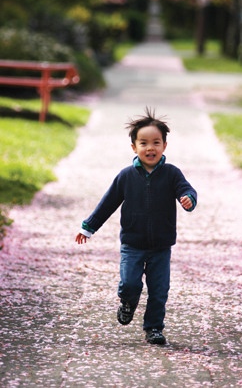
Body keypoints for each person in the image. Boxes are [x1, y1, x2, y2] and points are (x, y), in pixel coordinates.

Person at [76, 108, 197, 345]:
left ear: (164, 146)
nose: (150, 148)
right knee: (130, 283)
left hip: (161, 246)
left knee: (159, 290)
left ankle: (153, 328)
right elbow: (108, 203)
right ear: (134, 147)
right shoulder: (126, 176)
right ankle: (128, 301)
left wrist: (189, 199)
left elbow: (187, 190)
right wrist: (88, 227)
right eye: (144, 143)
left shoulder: (172, 174)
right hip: (132, 243)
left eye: (156, 142)